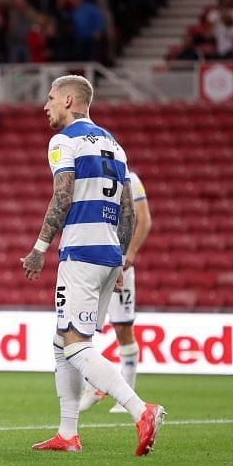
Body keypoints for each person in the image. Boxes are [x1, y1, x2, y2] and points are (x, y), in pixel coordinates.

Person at [20, 75, 165, 456]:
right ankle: (67, 433)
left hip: (81, 252)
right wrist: (119, 258)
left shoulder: (63, 140)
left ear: (69, 100)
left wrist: (39, 247)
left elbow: (62, 196)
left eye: (51, 98)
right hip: (108, 255)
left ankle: (141, 409)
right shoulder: (114, 145)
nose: (46, 106)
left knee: (75, 345)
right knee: (61, 340)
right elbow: (127, 210)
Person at [80, 170, 152, 413]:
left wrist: (129, 253)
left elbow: (144, 220)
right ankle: (92, 386)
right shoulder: (88, 175)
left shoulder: (130, 178)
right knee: (81, 325)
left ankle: (126, 394)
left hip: (119, 263)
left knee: (122, 329)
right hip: (92, 260)